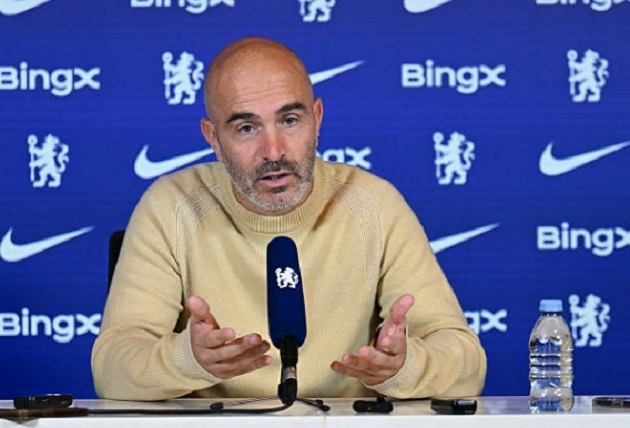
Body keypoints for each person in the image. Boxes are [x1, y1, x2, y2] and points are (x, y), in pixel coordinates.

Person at [91, 36, 486, 401]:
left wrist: (405, 367)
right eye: (247, 128)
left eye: (290, 120)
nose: (274, 151)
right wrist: (187, 360)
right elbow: (111, 368)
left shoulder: (374, 205)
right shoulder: (171, 206)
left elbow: (467, 362)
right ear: (213, 138)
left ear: (317, 118)